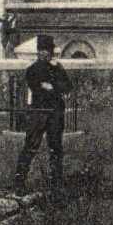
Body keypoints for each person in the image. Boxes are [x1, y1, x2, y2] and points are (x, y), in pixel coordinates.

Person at [13, 34, 71, 198]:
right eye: (42, 51)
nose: (45, 54)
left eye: (48, 51)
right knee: (30, 147)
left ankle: (57, 184)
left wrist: (52, 87)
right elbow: (37, 88)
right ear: (38, 53)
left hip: (55, 114)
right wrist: (54, 90)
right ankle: (19, 183)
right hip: (39, 113)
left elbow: (68, 86)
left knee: (56, 149)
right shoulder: (33, 69)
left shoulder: (58, 68)